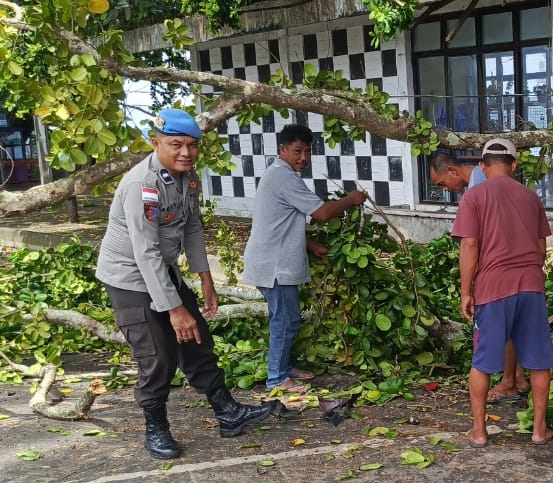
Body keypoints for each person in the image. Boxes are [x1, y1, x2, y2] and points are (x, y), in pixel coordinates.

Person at [96, 108, 282, 460]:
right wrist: (174, 310)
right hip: (129, 278)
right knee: (158, 355)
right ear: (156, 143)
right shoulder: (143, 185)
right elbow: (145, 251)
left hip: (162, 270)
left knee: (197, 338)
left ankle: (228, 413)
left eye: (193, 146)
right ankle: (156, 428)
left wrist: (206, 280)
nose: (186, 152)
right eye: (176, 144)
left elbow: (192, 227)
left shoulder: (186, 178)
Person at [243, 124, 368, 394]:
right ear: (282, 150)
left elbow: (281, 219)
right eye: (297, 151)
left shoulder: (280, 174)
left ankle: (284, 369)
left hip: (273, 261)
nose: (303, 157)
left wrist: (310, 245)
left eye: (307, 151)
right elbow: (321, 213)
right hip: (274, 266)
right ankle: (276, 377)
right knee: (286, 321)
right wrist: (350, 200)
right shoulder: (283, 177)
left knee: (287, 318)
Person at [451, 139, 553, 448]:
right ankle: (539, 431)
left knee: (482, 362)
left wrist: (466, 291)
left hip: (494, 288)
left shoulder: (474, 197)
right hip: (531, 286)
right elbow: (541, 249)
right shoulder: (531, 198)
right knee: (539, 362)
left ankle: (480, 432)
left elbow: (469, 245)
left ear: (482, 166)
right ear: (514, 164)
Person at [430, 151, 529, 405]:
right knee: (513, 326)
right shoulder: (482, 184)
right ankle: (517, 376)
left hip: (497, 272)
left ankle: (508, 384)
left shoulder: (479, 189)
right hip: (520, 273)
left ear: (453, 171)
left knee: (503, 330)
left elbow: (472, 244)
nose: (445, 190)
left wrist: (468, 288)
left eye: (442, 183)